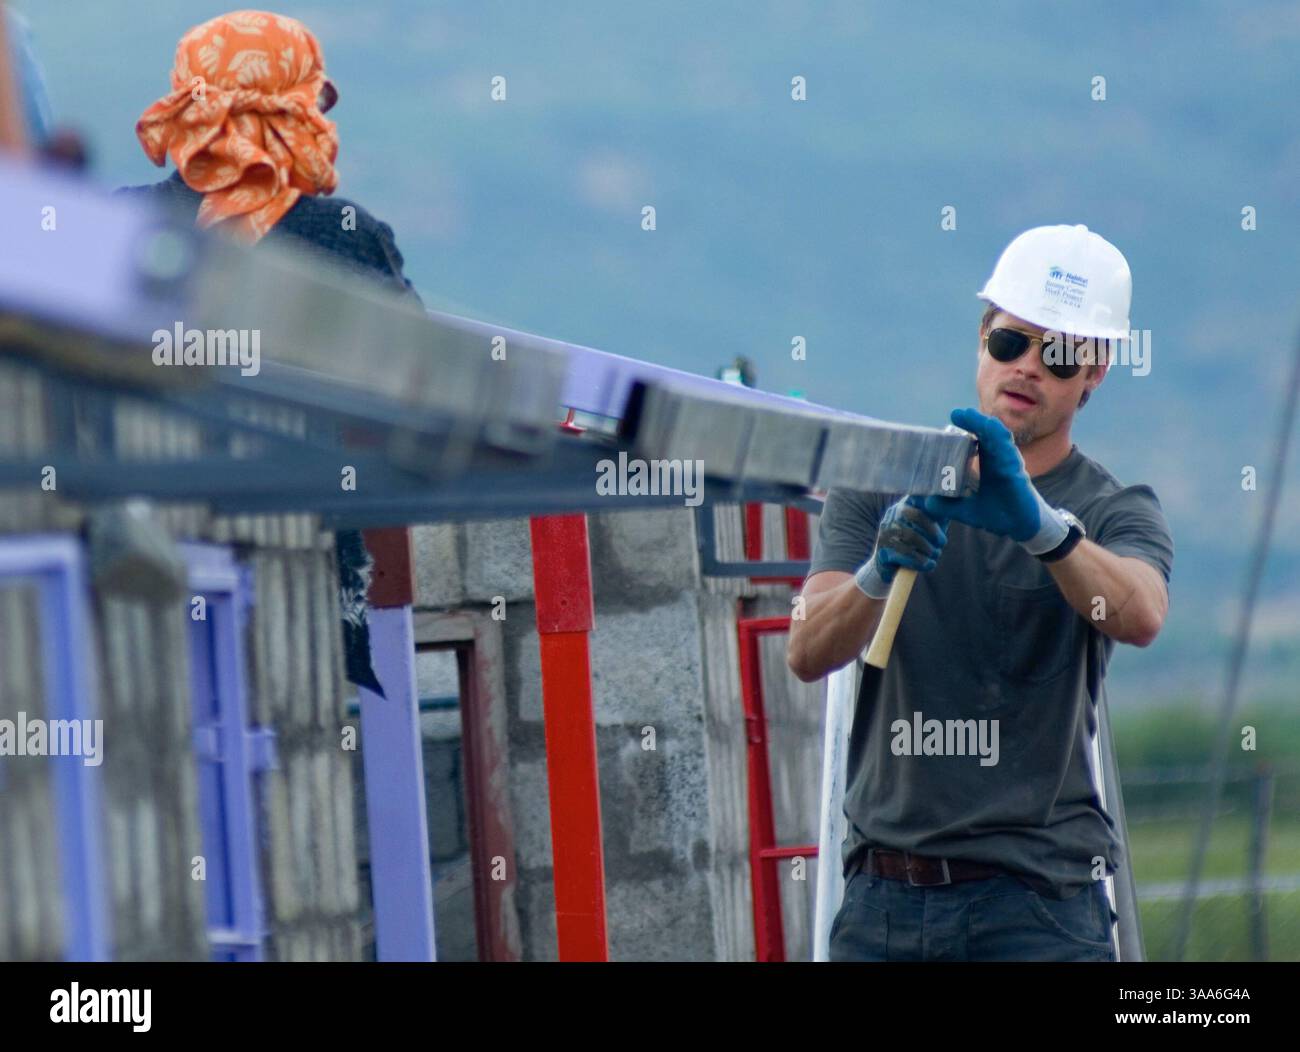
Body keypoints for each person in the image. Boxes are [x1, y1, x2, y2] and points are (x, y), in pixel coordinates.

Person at [787, 224, 1173, 962]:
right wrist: (878, 570)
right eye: (1010, 343)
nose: (1028, 367)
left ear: (1096, 373)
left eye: (1059, 355)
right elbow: (807, 650)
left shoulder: (1115, 511)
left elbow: (1141, 614)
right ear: (981, 339)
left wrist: (1044, 531)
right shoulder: (878, 485)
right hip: (885, 906)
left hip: (1038, 909)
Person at [120, 10, 422, 695]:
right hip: (296, 559)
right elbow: (415, 375)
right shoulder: (342, 233)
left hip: (144, 547)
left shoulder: (125, 223)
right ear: (303, 104)